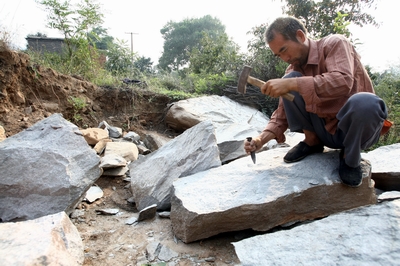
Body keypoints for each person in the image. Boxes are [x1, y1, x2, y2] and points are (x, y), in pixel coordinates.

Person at [244, 16, 389, 187]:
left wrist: (292, 83)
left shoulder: (334, 44)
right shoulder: (293, 70)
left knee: (367, 102)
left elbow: (342, 81)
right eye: (278, 55)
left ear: (300, 36)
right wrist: (260, 140)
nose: (284, 58)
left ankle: (350, 158)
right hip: (325, 133)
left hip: (356, 133)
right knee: (291, 77)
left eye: (284, 50)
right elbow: (281, 115)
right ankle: (312, 141)